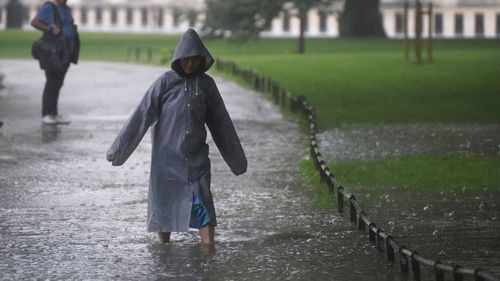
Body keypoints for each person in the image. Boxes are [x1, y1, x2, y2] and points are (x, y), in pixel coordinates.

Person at [106, 29, 247, 246]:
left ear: (202, 60)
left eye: (195, 60)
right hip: (166, 159)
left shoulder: (207, 85)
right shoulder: (164, 83)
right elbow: (142, 115)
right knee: (164, 206)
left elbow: (221, 123)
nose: (190, 65)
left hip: (196, 158)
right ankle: (164, 250)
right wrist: (119, 149)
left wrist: (237, 161)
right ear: (178, 59)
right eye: (186, 60)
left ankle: (208, 252)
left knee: (203, 203)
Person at [31, 0, 77, 125]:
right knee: (52, 81)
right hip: (53, 50)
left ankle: (53, 113)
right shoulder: (49, 7)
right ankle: (46, 114)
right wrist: (51, 29)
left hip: (65, 50)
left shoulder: (66, 8)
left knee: (58, 83)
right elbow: (34, 22)